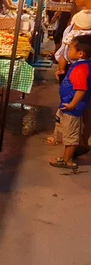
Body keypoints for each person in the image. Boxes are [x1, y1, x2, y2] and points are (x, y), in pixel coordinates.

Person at [49, 35, 91, 169]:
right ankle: (59, 142)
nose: (68, 51)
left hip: (72, 107)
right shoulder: (80, 65)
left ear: (80, 54)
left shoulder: (80, 69)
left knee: (71, 134)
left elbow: (81, 89)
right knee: (64, 126)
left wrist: (73, 104)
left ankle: (67, 160)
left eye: (71, 49)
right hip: (68, 104)